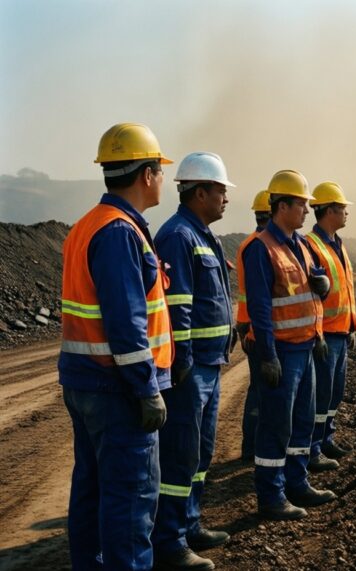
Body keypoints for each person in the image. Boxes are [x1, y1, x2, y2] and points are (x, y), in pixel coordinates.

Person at [59, 123, 173, 570]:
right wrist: (146, 388)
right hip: (118, 390)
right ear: (146, 175)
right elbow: (127, 326)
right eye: (159, 170)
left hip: (87, 383)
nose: (162, 179)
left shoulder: (86, 227)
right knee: (129, 503)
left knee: (91, 492)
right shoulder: (120, 232)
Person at [151, 152, 236, 570]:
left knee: (200, 454)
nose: (226, 199)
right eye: (221, 191)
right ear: (199, 192)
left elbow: (214, 297)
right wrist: (181, 361)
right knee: (179, 455)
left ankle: (190, 522)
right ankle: (169, 541)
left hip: (210, 364)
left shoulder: (205, 235)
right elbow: (178, 305)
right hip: (191, 369)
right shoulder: (177, 237)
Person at [243, 170, 335, 520]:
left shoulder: (299, 245)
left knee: (301, 421)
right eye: (301, 205)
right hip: (281, 352)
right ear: (282, 206)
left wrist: (320, 328)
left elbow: (311, 294)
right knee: (275, 425)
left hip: (305, 349)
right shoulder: (260, 248)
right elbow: (261, 307)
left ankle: (298, 482)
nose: (307, 212)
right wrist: (267, 355)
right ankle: (271, 495)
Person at [305, 182, 356, 472]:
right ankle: (313, 448)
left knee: (334, 392)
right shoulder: (311, 246)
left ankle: (326, 438)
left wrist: (351, 327)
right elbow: (311, 297)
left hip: (340, 332)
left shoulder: (337, 244)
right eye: (342, 208)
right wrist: (317, 333)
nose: (346, 213)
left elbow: (345, 291)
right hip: (325, 335)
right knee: (321, 393)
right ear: (328, 211)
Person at [237, 189, 271, 461]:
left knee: (258, 389)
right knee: (261, 390)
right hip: (260, 332)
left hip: (250, 329)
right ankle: (252, 448)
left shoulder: (249, 243)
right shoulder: (261, 247)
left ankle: (252, 446)